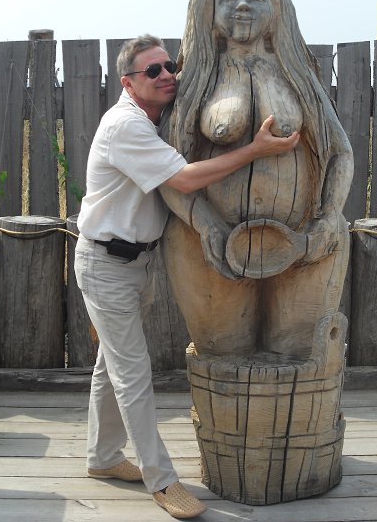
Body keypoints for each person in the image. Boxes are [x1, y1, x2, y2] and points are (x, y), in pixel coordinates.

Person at [74, 33, 299, 519]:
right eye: (152, 70)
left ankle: (103, 457)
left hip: (132, 262)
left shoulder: (155, 122)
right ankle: (161, 480)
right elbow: (186, 178)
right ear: (127, 82)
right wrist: (256, 150)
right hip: (107, 265)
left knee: (111, 366)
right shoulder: (126, 126)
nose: (166, 76)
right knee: (132, 373)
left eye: (169, 66)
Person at [159, 0, 354, 359]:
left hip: (303, 242)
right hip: (210, 245)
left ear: (277, 10)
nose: (243, 5)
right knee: (223, 357)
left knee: (299, 354)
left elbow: (339, 153)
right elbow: (168, 171)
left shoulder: (298, 77)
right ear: (208, 12)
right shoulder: (196, 82)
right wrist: (205, 223)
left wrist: (328, 217)